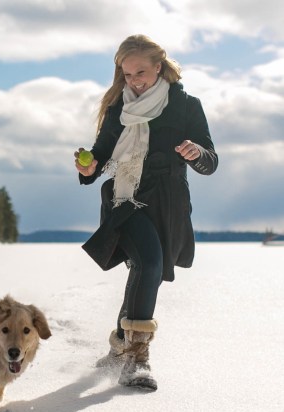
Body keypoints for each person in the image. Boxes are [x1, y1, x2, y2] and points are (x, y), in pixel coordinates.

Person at [75, 34, 218, 391]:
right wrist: (88, 167)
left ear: (159, 66)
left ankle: (119, 346)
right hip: (126, 199)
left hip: (168, 202)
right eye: (127, 75)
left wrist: (196, 153)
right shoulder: (117, 110)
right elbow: (101, 155)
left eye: (141, 72)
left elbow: (211, 161)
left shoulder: (186, 106)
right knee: (150, 263)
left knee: (146, 271)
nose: (135, 80)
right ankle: (137, 361)